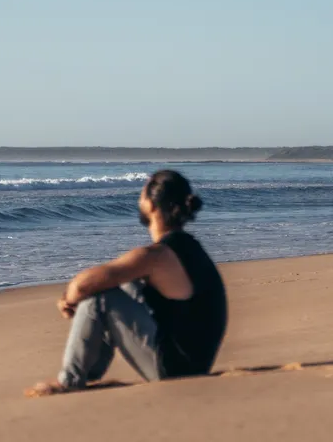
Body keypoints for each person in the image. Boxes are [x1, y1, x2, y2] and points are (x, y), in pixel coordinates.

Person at [26, 169, 227, 396]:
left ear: (151, 205)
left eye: (141, 196)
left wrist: (67, 299)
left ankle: (70, 380)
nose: (138, 202)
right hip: (193, 362)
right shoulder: (190, 248)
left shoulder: (157, 256)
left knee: (101, 299)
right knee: (123, 286)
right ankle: (89, 372)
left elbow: (82, 286)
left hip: (175, 370)